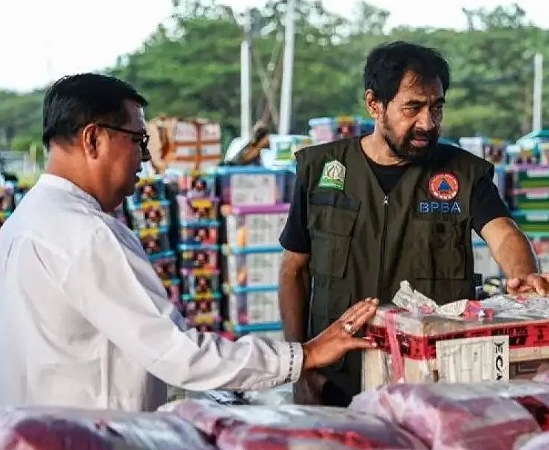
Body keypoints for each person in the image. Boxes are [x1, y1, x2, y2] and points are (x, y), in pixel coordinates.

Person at [0, 73, 379, 412]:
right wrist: (305, 355)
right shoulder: (87, 233)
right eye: (139, 140)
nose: (146, 158)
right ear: (93, 138)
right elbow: (176, 352)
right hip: (91, 434)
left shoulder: (24, 222)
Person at [279, 41, 549, 407]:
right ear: (374, 104)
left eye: (437, 107)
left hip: (434, 385)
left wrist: (526, 277)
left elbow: (504, 233)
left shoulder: (464, 173)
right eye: (413, 107)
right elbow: (294, 270)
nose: (428, 123)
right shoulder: (321, 170)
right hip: (335, 381)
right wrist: (301, 366)